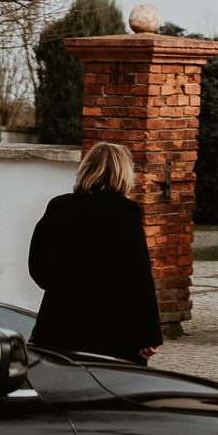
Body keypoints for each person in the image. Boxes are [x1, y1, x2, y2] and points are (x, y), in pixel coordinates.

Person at [28, 142, 162, 362]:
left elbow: (38, 268)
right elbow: (139, 277)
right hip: (114, 329)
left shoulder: (58, 206)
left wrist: (65, 288)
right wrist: (149, 334)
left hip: (59, 324)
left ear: (86, 168)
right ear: (122, 173)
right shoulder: (126, 212)